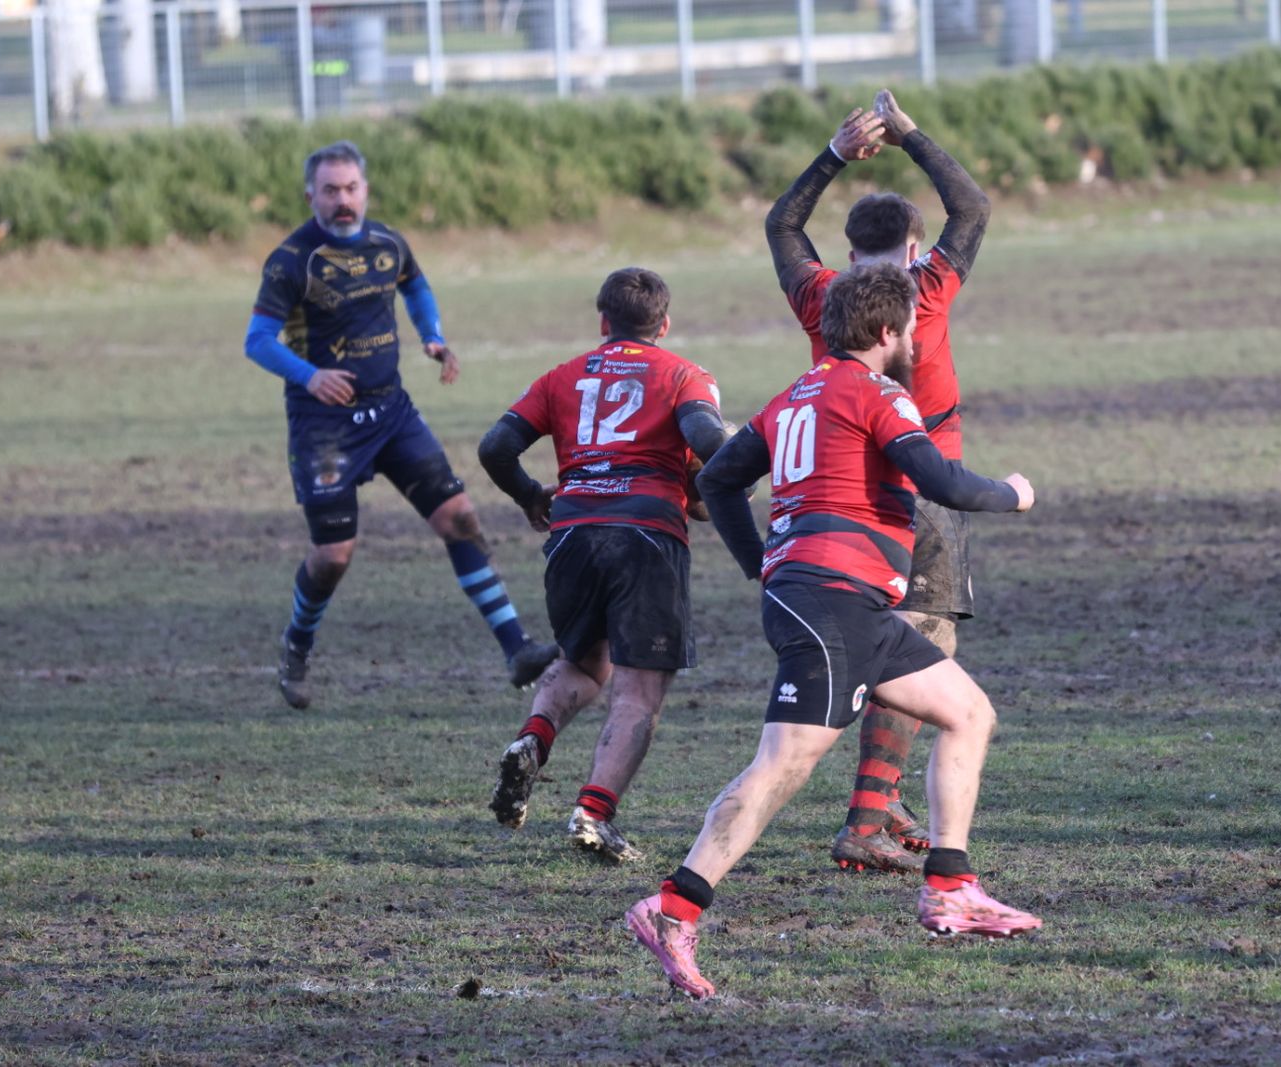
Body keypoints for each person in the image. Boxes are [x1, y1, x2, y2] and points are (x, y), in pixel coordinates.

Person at [626, 264, 1040, 1000]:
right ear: (888, 332)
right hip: (830, 603)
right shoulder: (878, 393)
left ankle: (950, 886)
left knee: (968, 712)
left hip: (851, 605)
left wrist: (765, 565)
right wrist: (1011, 492)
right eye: (912, 327)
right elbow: (943, 482)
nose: (916, 339)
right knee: (782, 766)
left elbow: (719, 480)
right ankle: (673, 907)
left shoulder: (797, 393)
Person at [765, 90, 993, 875]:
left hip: (841, 491)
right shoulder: (924, 289)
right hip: (921, 490)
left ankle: (881, 801)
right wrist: (910, 135)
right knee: (924, 641)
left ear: (849, 246)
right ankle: (868, 814)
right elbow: (973, 207)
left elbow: (780, 226)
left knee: (889, 636)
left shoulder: (824, 298)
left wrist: (834, 152)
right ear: (913, 242)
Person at [244, 141, 557, 709]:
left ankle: (518, 648)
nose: (343, 200)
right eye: (331, 190)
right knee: (333, 555)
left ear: (365, 189)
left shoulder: (388, 244)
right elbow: (257, 340)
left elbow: (414, 284)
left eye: (351, 188)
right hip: (325, 427)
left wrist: (431, 333)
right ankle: (297, 645)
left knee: (460, 518)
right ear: (310, 194)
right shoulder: (292, 261)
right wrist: (310, 376)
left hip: (392, 412)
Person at [479, 268, 730, 862]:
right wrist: (723, 478)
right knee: (639, 690)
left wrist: (528, 494)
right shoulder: (683, 375)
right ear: (663, 325)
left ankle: (531, 740)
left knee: (585, 664)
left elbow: (495, 447)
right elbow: (705, 436)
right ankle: (593, 813)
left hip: (572, 533)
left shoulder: (562, 377)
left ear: (602, 322)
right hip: (645, 534)